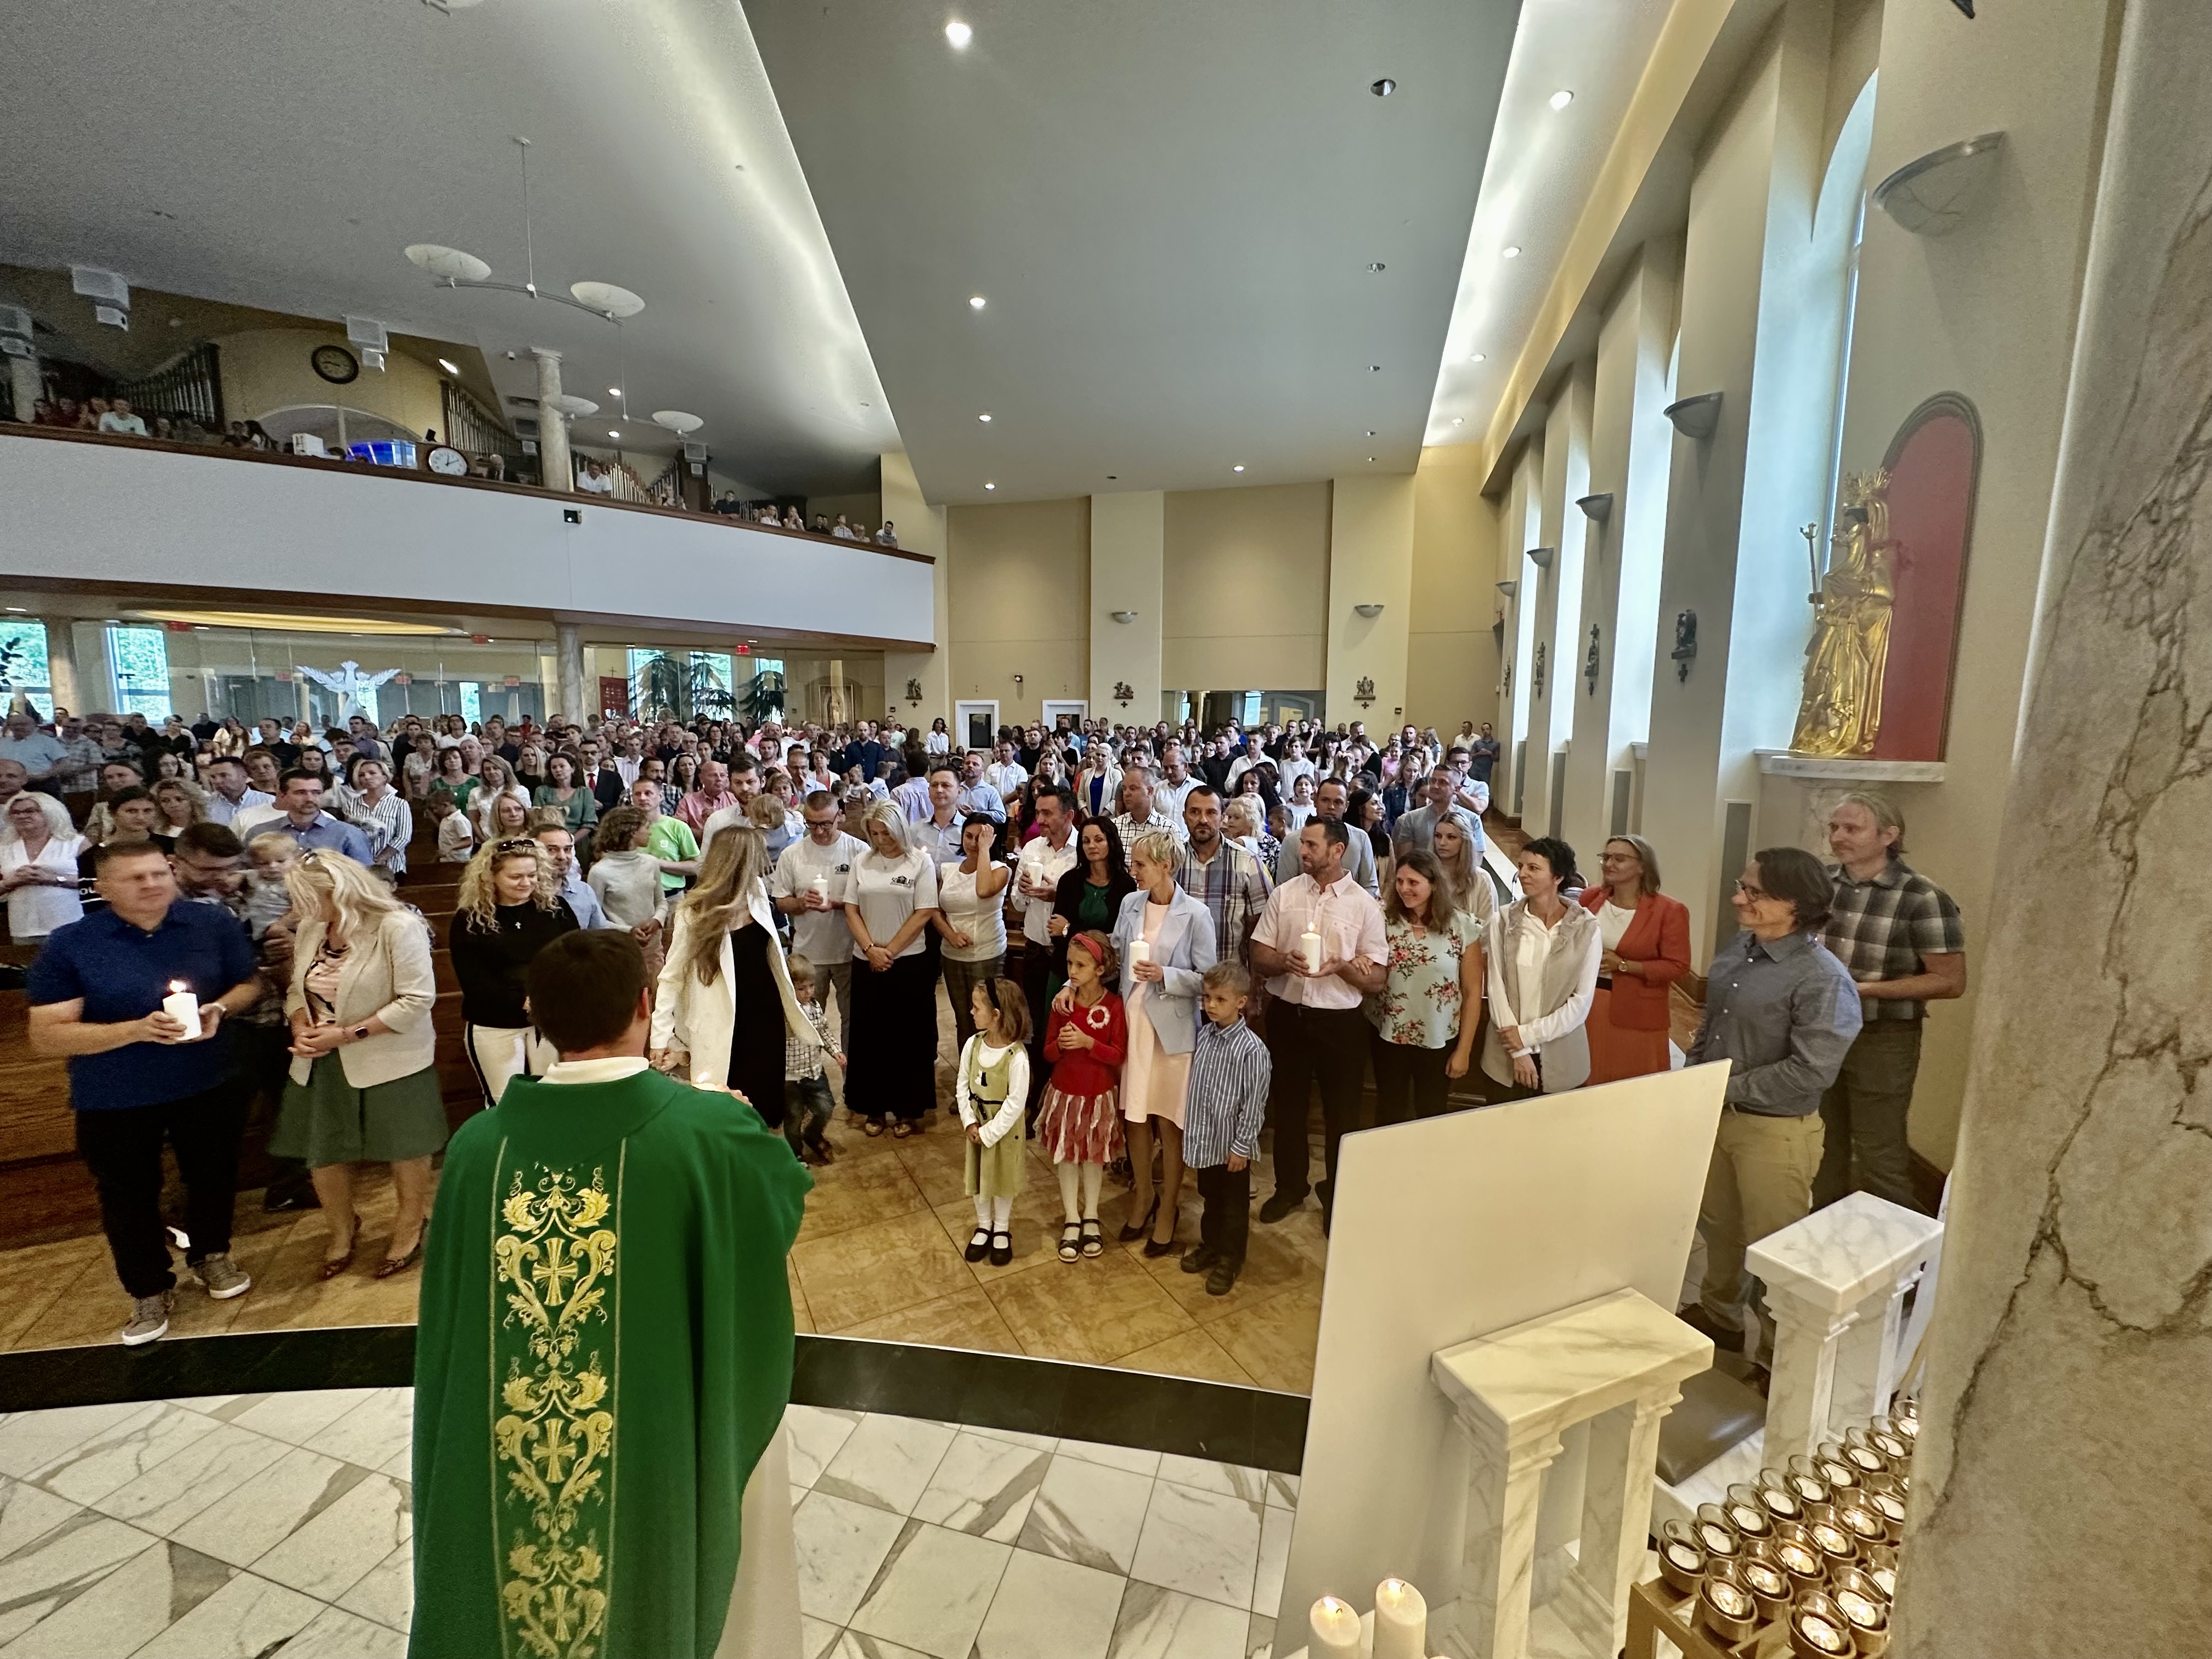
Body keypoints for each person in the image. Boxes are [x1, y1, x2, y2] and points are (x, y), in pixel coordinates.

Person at [409, 929, 812, 1659]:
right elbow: (777, 1208)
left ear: (535, 1015)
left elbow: (449, 1324)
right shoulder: (710, 1129)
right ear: (644, 1005)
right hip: (657, 1441)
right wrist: (741, 1126)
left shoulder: (475, 1149)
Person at [27, 841, 262, 1344]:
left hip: (207, 1077)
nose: (152, 884)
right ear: (103, 887)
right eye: (136, 878)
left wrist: (220, 1009)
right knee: (128, 1194)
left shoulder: (209, 923)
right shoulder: (72, 943)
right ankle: (148, 1287)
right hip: (116, 1092)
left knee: (213, 1174)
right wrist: (135, 1030)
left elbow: (249, 984)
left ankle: (212, 1254)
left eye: (160, 873)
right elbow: (46, 1035)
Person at [1685, 846, 1865, 1372]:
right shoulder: (1740, 949)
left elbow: (1810, 1072)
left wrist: (1722, 1086)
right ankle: (1721, 1316)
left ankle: (1777, 1358)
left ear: (1796, 904)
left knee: (1776, 1251)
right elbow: (1713, 1023)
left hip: (1776, 1132)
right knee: (1720, 1227)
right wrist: (1695, 1076)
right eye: (1742, 887)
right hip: (1718, 1115)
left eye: (1754, 892)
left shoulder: (1823, 979)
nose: (1738, 899)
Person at [272, 849, 443, 1278]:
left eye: (306, 898)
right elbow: (297, 990)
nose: (297, 909)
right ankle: (342, 1228)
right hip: (322, 1058)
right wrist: (300, 1026)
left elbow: (417, 1000)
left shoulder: (397, 926)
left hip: (391, 1057)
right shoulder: (312, 928)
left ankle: (410, 1224)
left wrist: (347, 1034)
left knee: (405, 1148)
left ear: (341, 892)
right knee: (324, 1151)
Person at [1814, 793, 1966, 1211]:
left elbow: (1950, 982)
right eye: (1835, 827)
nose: (1839, 837)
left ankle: (1897, 1244)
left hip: (1883, 1037)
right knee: (1822, 1142)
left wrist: (1864, 990)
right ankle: (1823, 1233)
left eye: (1852, 828)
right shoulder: (1819, 886)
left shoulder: (1923, 897)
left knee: (1879, 1151)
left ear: (1888, 836)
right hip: (1821, 1030)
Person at [1252, 818, 1389, 1233]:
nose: (1303, 851)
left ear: (1337, 850)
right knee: (1288, 1108)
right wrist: (1283, 961)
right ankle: (1289, 1187)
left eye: (1312, 845)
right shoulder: (1286, 894)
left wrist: (1342, 967)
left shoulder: (1364, 905)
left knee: (1342, 1116)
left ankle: (1337, 1197)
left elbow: (1377, 979)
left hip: (1340, 1023)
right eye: (1303, 844)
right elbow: (1259, 953)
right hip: (1289, 1015)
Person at [651, 827, 820, 1132]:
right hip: (722, 1020)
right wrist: (661, 1037)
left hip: (764, 1015)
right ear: (740, 862)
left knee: (765, 1105)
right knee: (725, 1106)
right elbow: (671, 977)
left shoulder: (756, 891)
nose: (764, 863)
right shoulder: (693, 912)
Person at [1108, 830, 1217, 1256]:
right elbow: (1115, 955)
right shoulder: (1130, 904)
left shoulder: (1196, 914)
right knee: (1135, 1118)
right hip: (1134, 1025)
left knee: (1169, 1124)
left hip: (1172, 1032)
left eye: (1141, 864)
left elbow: (1208, 979)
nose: (1133, 871)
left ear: (1165, 866)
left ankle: (1169, 1207)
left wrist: (1166, 975)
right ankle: (1144, 1197)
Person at [450, 836, 580, 1107]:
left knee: (554, 1098)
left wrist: (556, 998)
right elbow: (475, 981)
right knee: (506, 1102)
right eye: (516, 877)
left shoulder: (556, 909)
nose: (526, 883)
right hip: (495, 1023)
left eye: (532, 875)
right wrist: (525, 1002)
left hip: (549, 1022)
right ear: (491, 877)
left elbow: (576, 959)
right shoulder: (470, 920)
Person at [839, 802, 940, 1137]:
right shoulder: (861, 862)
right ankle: (874, 1106)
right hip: (867, 959)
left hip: (908, 961)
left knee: (908, 1037)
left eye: (887, 833)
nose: (881, 840)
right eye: (875, 834)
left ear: (900, 830)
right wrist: (871, 950)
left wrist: (890, 952)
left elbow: (924, 912)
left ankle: (908, 1108)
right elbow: (851, 909)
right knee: (870, 1036)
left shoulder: (919, 862)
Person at [1481, 836, 1602, 1101]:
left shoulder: (1587, 929)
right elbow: (1496, 987)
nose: (1523, 873)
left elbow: (1581, 1002)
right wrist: (1518, 1051)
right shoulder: (1503, 921)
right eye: (1521, 866)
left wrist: (1526, 1036)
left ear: (1558, 877)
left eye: (1533, 868)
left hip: (1560, 1052)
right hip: (1506, 1051)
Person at [1370, 848, 1483, 1123]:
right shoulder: (1382, 921)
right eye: (1400, 881)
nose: (1404, 889)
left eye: (1413, 882)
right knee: (1389, 1111)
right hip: (1389, 1035)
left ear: (1434, 884)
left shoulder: (1461, 926)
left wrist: (1464, 1050)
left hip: (1438, 1036)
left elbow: (1472, 992)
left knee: (1431, 1112)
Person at [1178, 962, 1271, 1296]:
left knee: (1233, 1207)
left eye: (1220, 999)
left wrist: (1241, 1147)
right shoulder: (1205, 1036)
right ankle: (1212, 1245)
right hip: (1207, 1141)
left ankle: (1231, 1257)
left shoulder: (1252, 1050)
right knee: (1211, 1199)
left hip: (1232, 1147)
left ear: (1241, 1002)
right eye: (1207, 998)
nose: (1211, 1005)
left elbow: (1254, 1104)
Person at [1037, 930, 1127, 1262]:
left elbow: (1118, 1055)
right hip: (1066, 1093)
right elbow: (1047, 1052)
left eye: (1081, 965)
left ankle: (1091, 1215)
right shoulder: (1062, 1005)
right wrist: (1061, 1046)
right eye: (1069, 964)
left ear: (1100, 969)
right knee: (1067, 1155)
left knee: (1093, 1157)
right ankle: (1071, 1218)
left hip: (1097, 1096)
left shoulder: (1114, 1006)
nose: (1072, 972)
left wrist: (1089, 1043)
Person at [1576, 834, 1693, 1084]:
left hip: (1636, 1011)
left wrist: (1624, 966)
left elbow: (1678, 966)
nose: (1609, 864)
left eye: (1619, 859)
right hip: (1589, 1003)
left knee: (1628, 1084)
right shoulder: (1590, 898)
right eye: (1606, 857)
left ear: (1642, 866)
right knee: (1587, 1078)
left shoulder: (1669, 911)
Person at [769, 791, 867, 1053]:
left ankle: (851, 1074)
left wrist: (839, 904)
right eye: (811, 824)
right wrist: (802, 904)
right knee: (807, 1022)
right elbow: (781, 902)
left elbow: (871, 902)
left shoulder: (859, 851)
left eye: (825, 823)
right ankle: (810, 1072)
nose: (819, 831)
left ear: (840, 816)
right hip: (810, 954)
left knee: (854, 1020)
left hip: (851, 950)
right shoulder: (792, 854)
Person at [956, 978, 1032, 1266]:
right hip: (977, 1128)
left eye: (977, 1008)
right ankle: (983, 1224)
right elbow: (962, 1085)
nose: (972, 1012)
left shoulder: (1017, 1057)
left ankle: (1001, 1227)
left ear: (997, 1014)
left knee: (1002, 1179)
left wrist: (989, 1133)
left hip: (1003, 1133)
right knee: (979, 1177)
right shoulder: (973, 1045)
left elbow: (1015, 1104)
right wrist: (969, 1122)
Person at [937, 814, 1010, 1050]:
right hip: (952, 955)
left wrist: (985, 849)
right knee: (964, 1019)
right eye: (968, 836)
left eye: (980, 838)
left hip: (986, 954)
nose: (973, 843)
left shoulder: (1000, 870)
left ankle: (990, 1068)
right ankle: (966, 1068)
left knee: (988, 1019)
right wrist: (950, 934)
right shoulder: (949, 870)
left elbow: (983, 889)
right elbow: (935, 910)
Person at [1175, 784, 1268, 968]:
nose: (1203, 820)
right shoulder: (1171, 860)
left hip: (1228, 975)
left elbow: (1259, 929)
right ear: (1184, 816)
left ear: (1222, 817)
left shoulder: (1246, 862)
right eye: (1195, 812)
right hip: (1178, 974)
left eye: (1211, 813)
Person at [1051, 819, 1136, 992]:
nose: (1091, 846)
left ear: (1111, 842)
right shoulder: (1069, 881)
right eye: (1086, 841)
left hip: (1104, 974)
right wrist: (1101, 936)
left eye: (1098, 840)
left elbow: (1117, 939)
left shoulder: (1126, 886)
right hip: (1066, 970)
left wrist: (1069, 928)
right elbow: (1055, 932)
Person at [0, 789, 87, 944]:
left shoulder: (75, 843)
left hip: (71, 924)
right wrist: (11, 882)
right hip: (23, 928)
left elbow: (98, 881)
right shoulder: (5, 848)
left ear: (50, 812)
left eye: (30, 811)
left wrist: (53, 879)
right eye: (16, 813)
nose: (22, 816)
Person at [783, 955, 843, 1164]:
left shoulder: (815, 1007)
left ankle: (813, 1134)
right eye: (801, 988)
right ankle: (795, 1154)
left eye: (812, 986)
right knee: (793, 1117)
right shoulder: (785, 1012)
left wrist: (836, 1051)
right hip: (789, 1077)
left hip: (814, 1071)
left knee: (826, 1106)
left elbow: (823, 1031)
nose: (808, 992)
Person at [1273, 778, 1379, 897]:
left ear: (1346, 806)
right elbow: (1284, 890)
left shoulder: (1361, 838)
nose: (1331, 807)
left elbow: (1370, 887)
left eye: (1338, 802)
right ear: (1315, 801)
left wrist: (1352, 906)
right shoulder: (1292, 841)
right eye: (1325, 800)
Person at [1391, 767, 1482, 859]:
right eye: (1433, 781)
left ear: (1457, 789)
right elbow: (1405, 859)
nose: (1435, 786)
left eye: (1442, 782)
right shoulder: (1412, 819)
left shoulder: (1472, 819)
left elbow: (1476, 859)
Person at [532, 749, 601, 835]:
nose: (558, 770)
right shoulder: (542, 791)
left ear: (573, 769)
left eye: (562, 766)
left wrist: (571, 840)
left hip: (578, 838)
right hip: (550, 836)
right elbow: (537, 820)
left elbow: (589, 823)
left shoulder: (585, 792)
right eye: (554, 767)